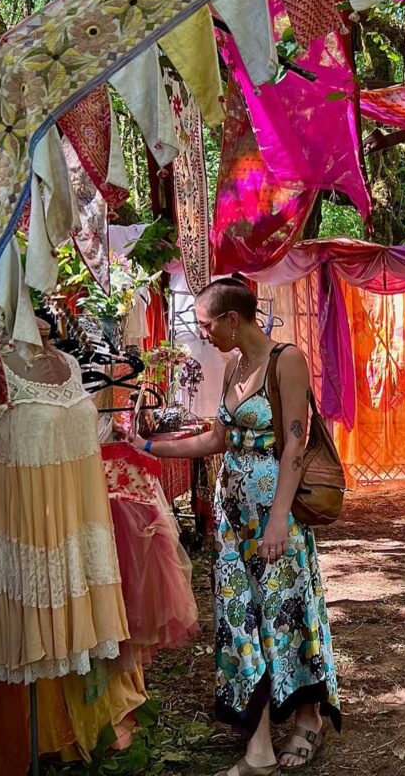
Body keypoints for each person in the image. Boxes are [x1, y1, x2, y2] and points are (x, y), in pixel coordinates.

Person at [128, 277, 340, 776]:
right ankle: (260, 740)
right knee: (242, 618)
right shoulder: (232, 367)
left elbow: (293, 445)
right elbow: (216, 440)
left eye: (206, 324)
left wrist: (278, 521)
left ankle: (307, 717)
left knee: (285, 611)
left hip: (273, 514)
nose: (203, 334)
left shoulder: (286, 360)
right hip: (232, 520)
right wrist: (150, 448)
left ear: (232, 319)